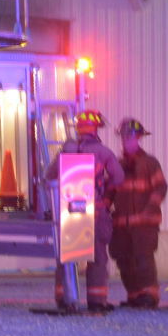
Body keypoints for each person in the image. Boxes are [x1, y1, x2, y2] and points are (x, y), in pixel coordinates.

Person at [44, 110, 124, 311]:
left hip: (68, 212)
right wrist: (105, 192)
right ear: (96, 129)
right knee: (97, 257)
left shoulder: (66, 150)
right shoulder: (103, 152)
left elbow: (49, 176)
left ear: (78, 128)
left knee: (66, 257)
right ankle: (96, 302)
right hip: (95, 212)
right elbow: (119, 178)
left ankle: (65, 299)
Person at [110, 118, 168, 307]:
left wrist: (148, 210)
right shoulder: (117, 165)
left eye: (131, 137)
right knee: (124, 260)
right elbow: (110, 192)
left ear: (139, 138)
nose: (127, 140)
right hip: (122, 223)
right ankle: (134, 296)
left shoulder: (150, 163)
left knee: (143, 259)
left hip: (144, 224)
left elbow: (160, 188)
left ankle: (149, 296)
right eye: (124, 137)